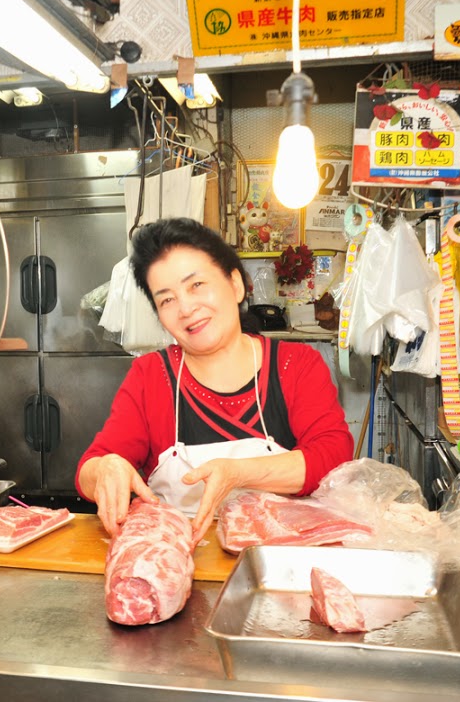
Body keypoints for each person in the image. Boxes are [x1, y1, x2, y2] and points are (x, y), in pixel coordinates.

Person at [76, 218, 354, 543]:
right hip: (177, 558)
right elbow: (89, 470)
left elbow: (334, 457)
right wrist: (106, 468)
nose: (186, 308)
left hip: (278, 557)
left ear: (235, 285)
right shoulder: (150, 376)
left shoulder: (295, 365)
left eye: (196, 285)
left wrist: (239, 474)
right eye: (166, 299)